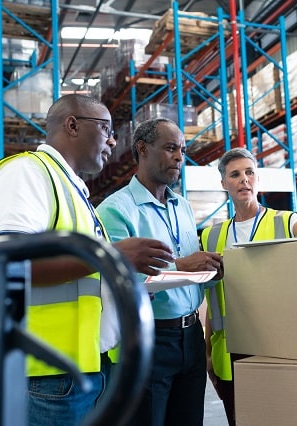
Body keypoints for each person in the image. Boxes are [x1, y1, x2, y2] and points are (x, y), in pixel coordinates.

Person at [0, 94, 175, 426]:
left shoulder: (75, 193)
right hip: (42, 371)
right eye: (105, 128)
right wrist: (114, 255)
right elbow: (8, 264)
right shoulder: (27, 172)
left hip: (79, 366)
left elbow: (85, 277)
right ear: (72, 125)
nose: (113, 140)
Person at [96, 117, 224, 426]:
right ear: (142, 149)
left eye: (182, 149)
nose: (180, 157)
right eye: (170, 149)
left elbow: (189, 267)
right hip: (147, 339)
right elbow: (119, 283)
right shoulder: (115, 210)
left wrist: (208, 271)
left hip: (190, 338)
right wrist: (181, 266)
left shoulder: (181, 205)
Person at [200, 147, 297, 425]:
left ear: (258, 179)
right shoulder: (211, 237)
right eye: (235, 175)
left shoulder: (286, 221)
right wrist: (207, 354)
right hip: (229, 354)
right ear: (224, 184)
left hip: (277, 349)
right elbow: (212, 299)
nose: (244, 180)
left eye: (250, 173)